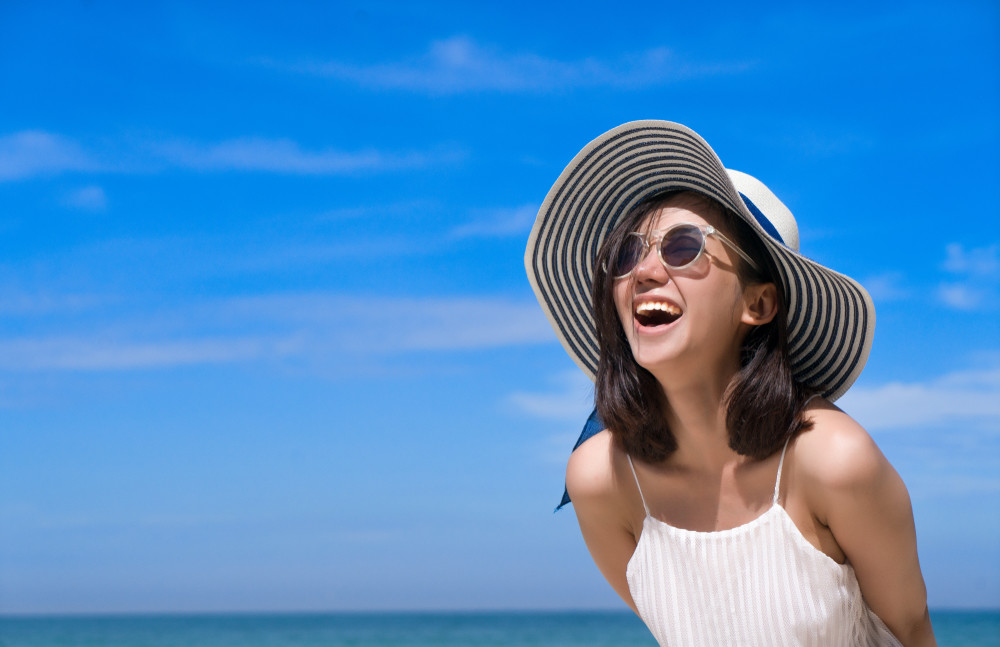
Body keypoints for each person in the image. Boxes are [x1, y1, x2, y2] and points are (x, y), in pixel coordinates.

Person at [524, 121, 935, 646]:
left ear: (757, 304)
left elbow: (911, 631)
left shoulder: (833, 460)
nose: (644, 271)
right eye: (627, 253)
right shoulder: (599, 480)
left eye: (683, 247)